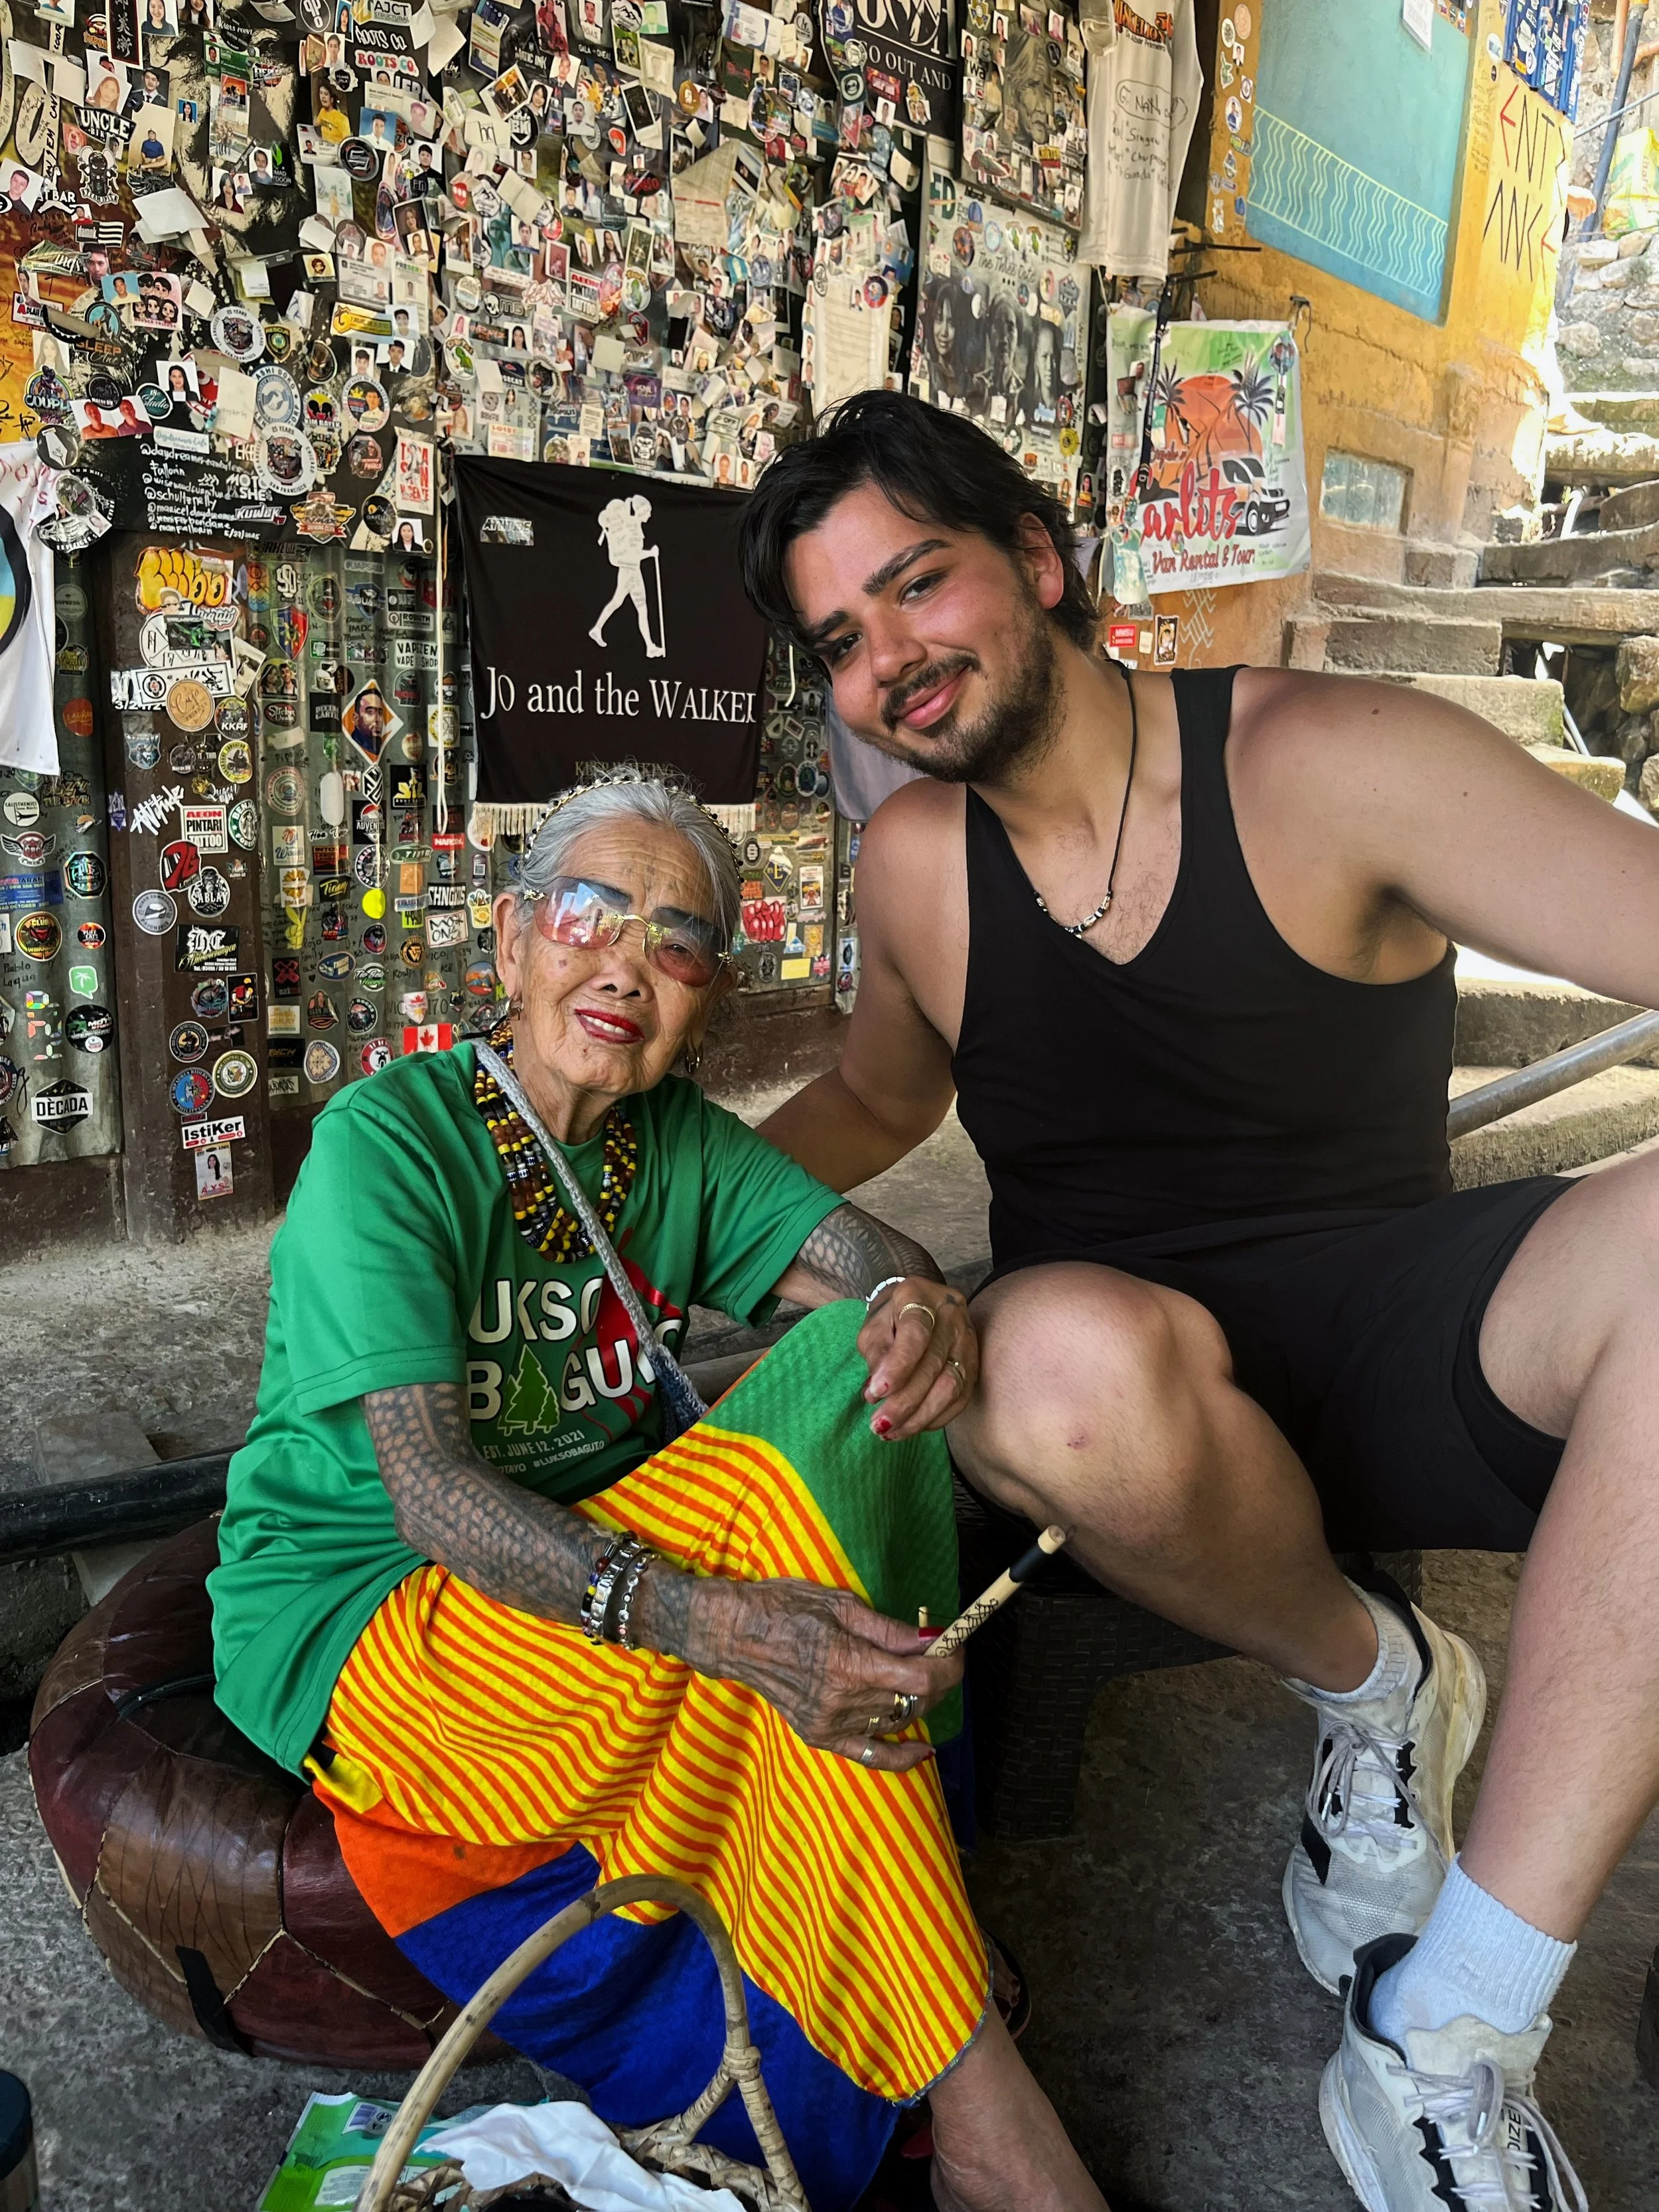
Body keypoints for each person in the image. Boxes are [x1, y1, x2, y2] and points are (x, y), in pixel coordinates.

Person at [737, 390, 1659, 2212]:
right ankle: (1374, 1678)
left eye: (915, 586)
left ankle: (1446, 2027)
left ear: (1037, 558)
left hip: (1409, 1337)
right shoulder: (915, 865)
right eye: (841, 641)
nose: (890, 663)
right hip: (1117, 1422)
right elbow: (878, 1097)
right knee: (1029, 1361)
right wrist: (634, 1186)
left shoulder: (1330, 757)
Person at [209, 775, 1104, 2212]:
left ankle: (913, 1938)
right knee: (763, 1557)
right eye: (586, 912)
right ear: (509, 946)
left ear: (708, 995)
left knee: (852, 1377)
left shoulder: (667, 1139)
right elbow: (433, 1494)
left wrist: (921, 1302)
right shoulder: (389, 1143)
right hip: (375, 1614)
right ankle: (981, 2097)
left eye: (676, 941)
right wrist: (721, 1624)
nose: (624, 964)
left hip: (586, 1574)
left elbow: (864, 1261)